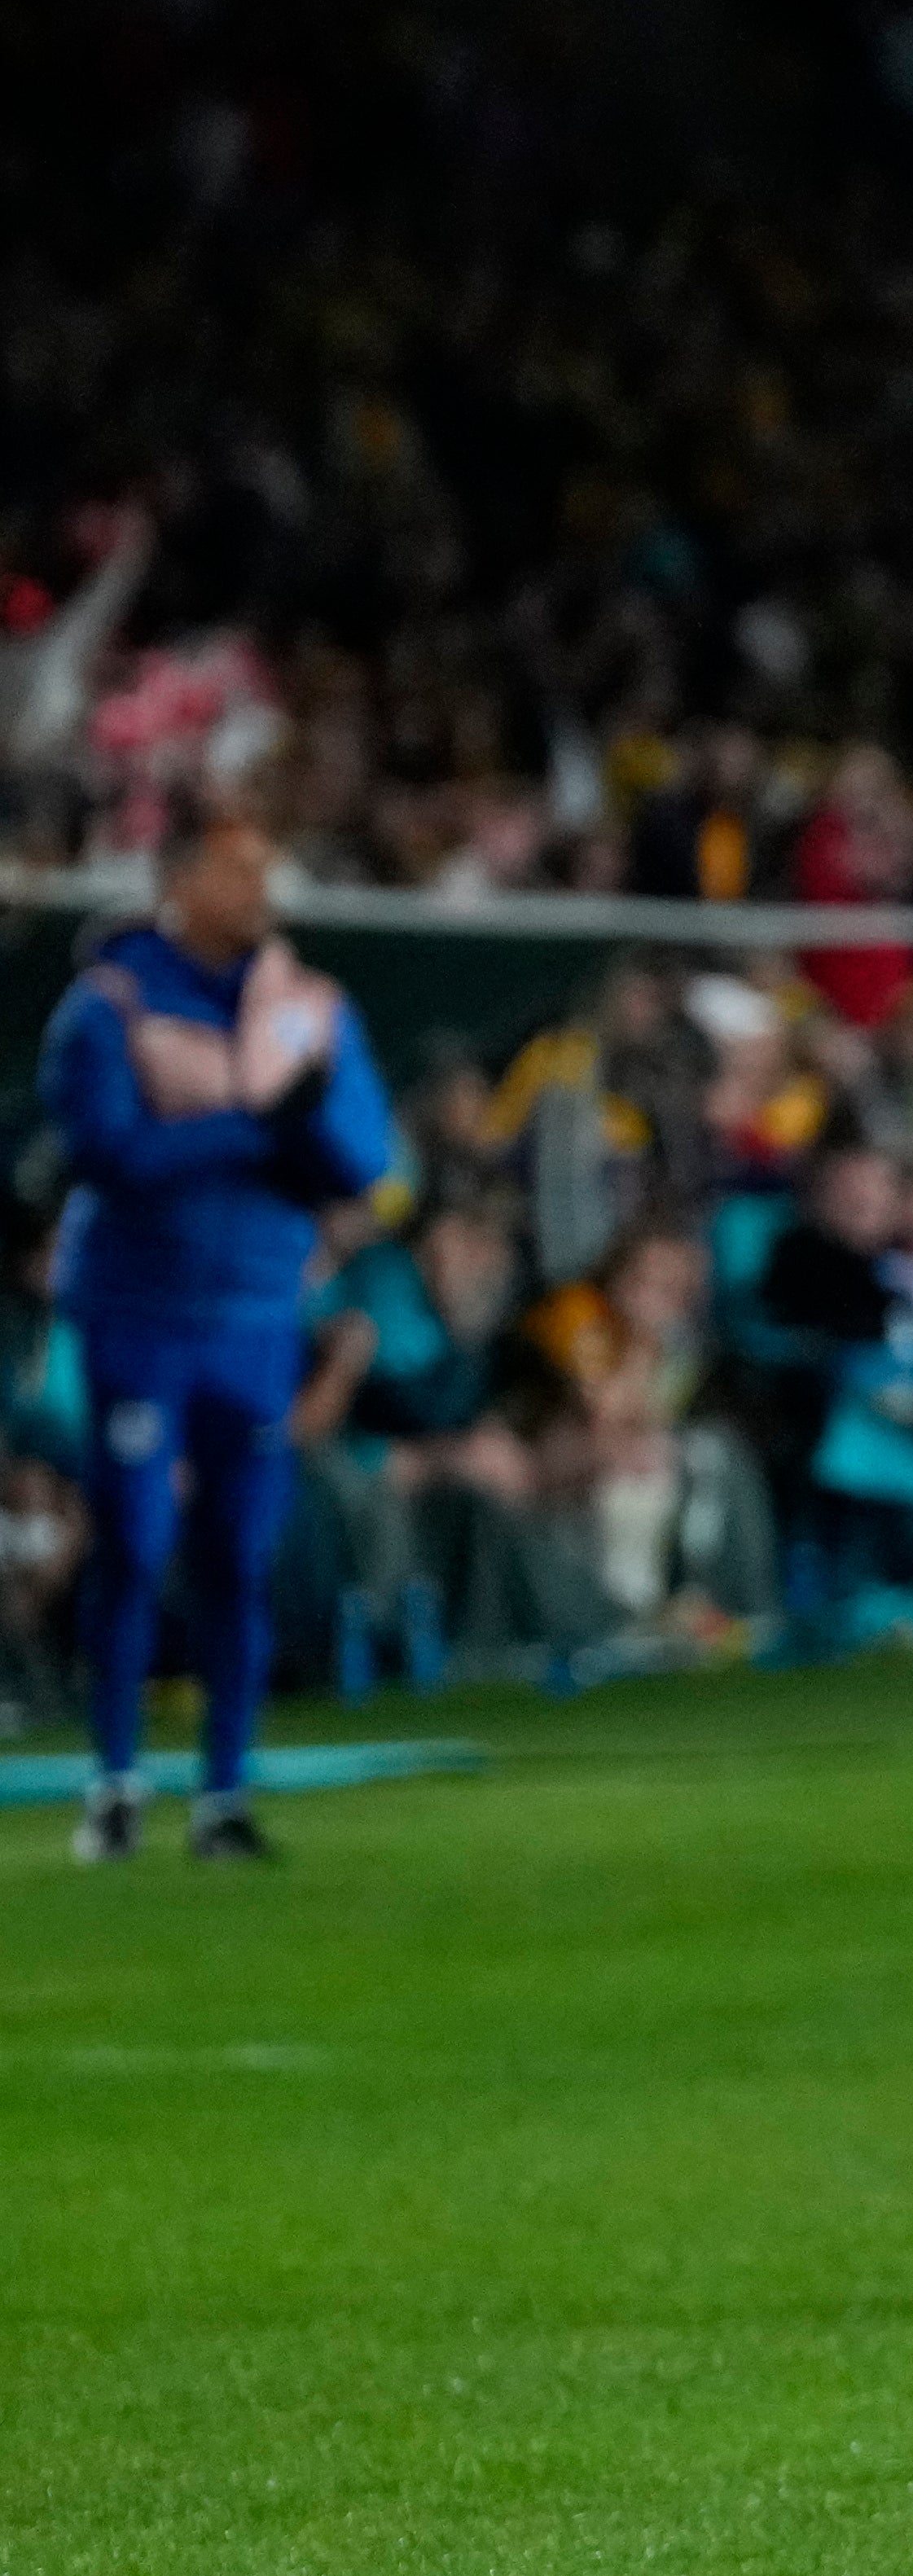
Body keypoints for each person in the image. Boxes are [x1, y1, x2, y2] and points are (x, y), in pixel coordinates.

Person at [37, 789, 393, 1862]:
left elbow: (360, 1160)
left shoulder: (310, 1006)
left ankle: (223, 1797)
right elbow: (110, 1157)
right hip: (141, 1310)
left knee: (240, 1555)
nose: (259, 893)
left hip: (255, 1312)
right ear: (177, 885)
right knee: (135, 1544)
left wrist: (295, 1134)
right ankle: (114, 1783)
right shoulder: (108, 1003)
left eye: (265, 870)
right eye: (236, 871)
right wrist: (255, 1128)